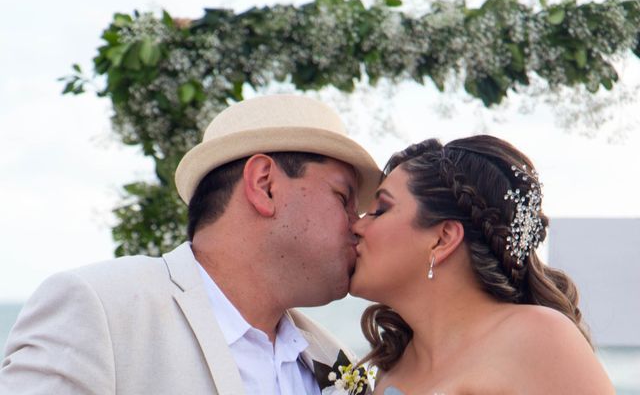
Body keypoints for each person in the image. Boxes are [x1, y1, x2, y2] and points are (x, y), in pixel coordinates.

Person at [0, 94, 381, 395]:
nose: (358, 225)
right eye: (343, 197)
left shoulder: (336, 361)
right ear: (264, 185)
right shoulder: (99, 308)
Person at [350, 135, 615, 394]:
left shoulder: (538, 338)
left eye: (380, 210)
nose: (357, 225)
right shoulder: (390, 370)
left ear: (443, 239)